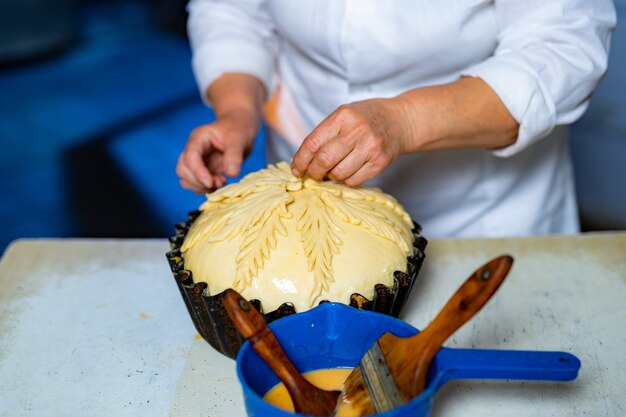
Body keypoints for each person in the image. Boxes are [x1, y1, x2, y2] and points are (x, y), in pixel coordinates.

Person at [177, 1, 616, 237]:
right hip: (306, 220)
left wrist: (404, 120)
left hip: (479, 221)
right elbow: (232, 13)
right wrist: (237, 111)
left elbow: (564, 48)